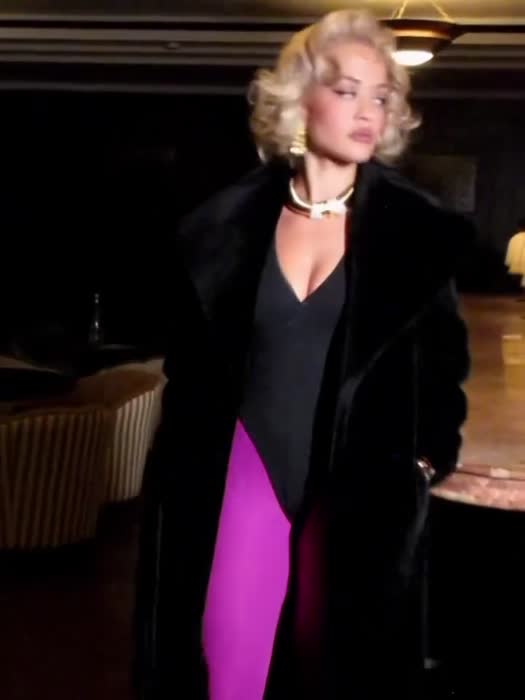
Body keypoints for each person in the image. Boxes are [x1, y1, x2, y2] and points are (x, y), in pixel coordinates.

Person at [133, 9, 474, 700]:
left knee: (339, 675)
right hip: (246, 476)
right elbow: (189, 373)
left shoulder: (417, 234)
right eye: (347, 91)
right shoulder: (224, 228)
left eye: (381, 96)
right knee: (227, 672)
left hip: (360, 493)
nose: (368, 111)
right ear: (300, 98)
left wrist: (422, 461)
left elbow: (445, 369)